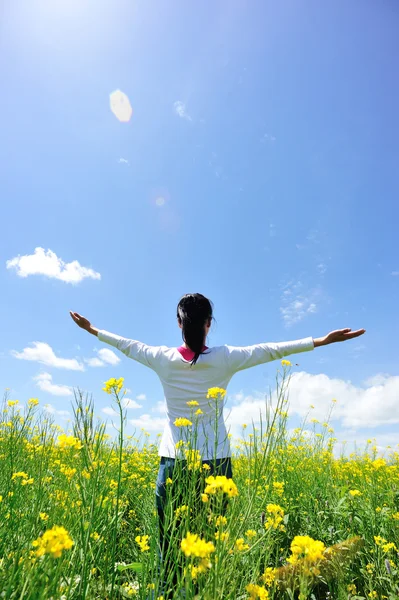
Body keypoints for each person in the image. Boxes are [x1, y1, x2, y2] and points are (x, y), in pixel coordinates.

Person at [70, 293, 365, 597]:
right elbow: (269, 350)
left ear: (179, 323)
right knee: (210, 547)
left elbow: (127, 345)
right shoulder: (225, 358)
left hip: (174, 463)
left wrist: (92, 330)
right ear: (209, 324)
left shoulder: (162, 358)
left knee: (169, 548)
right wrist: (320, 340)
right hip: (217, 464)